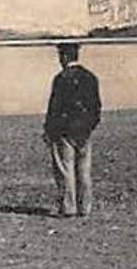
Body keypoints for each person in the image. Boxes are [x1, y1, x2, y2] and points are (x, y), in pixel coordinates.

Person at [43, 42, 101, 218]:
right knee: (84, 170)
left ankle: (68, 207)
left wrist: (49, 130)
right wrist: (90, 125)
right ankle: (85, 207)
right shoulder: (90, 77)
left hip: (64, 130)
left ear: (64, 57)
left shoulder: (61, 78)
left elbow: (54, 108)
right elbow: (96, 106)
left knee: (65, 169)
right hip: (84, 130)